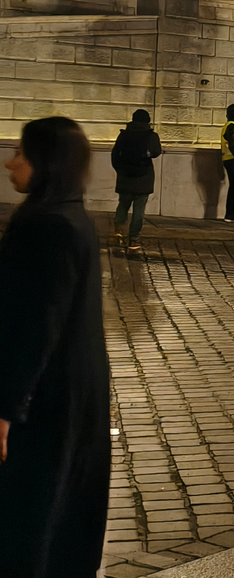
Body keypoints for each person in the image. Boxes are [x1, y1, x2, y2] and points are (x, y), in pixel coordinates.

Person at [0, 117, 110, 578]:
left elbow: (33, 328)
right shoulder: (72, 218)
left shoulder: (47, 227)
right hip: (74, 395)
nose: (11, 163)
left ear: (45, 162)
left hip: (45, 404)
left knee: (31, 521)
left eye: (22, 154)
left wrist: (5, 410)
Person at [110, 109, 163, 251]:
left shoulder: (124, 135)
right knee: (139, 210)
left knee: (123, 205)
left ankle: (119, 232)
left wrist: (120, 170)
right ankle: (134, 239)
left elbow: (115, 155)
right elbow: (157, 152)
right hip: (143, 178)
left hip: (125, 177)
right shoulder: (151, 136)